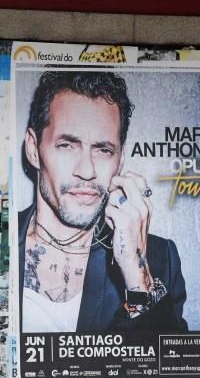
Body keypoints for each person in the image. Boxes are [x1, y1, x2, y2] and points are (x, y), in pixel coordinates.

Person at [18, 71, 187, 333]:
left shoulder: (159, 259)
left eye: (103, 150)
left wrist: (137, 278)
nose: (87, 170)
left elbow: (170, 369)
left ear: (119, 160)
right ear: (33, 148)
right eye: (66, 145)